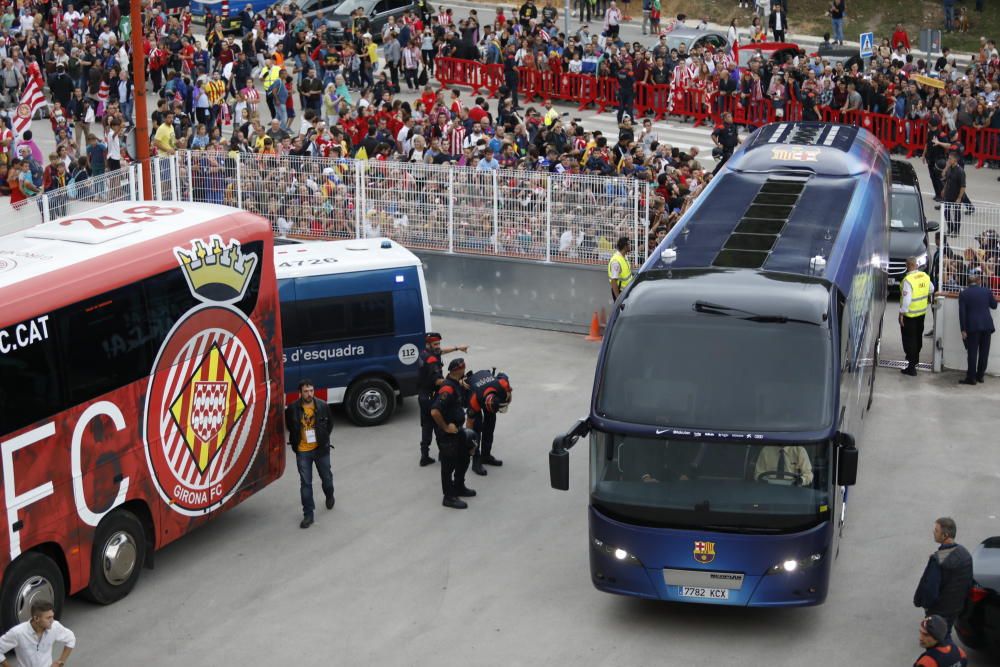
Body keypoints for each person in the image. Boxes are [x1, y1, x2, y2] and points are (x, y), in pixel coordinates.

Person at [285, 380, 335, 529]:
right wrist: (297, 445)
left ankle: (329, 493)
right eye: (306, 391)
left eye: (311, 390)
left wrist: (323, 439)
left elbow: (329, 425)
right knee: (305, 483)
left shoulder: (322, 406)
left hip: (321, 450)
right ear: (300, 393)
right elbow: (291, 427)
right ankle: (308, 514)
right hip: (303, 451)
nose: (309, 394)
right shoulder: (293, 409)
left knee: (326, 477)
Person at [914, 517, 974, 634]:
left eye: (936, 530)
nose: (933, 532)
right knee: (945, 633)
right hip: (955, 608)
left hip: (938, 611)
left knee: (936, 639)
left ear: (945, 535)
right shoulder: (965, 554)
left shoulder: (938, 561)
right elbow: (968, 582)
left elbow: (930, 589)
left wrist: (926, 606)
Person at [417, 333, 469, 466]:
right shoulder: (432, 361)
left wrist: (457, 348)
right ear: (428, 344)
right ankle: (444, 454)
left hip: (422, 395)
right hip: (430, 396)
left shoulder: (424, 353)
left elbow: (441, 351)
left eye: (439, 344)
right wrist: (455, 381)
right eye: (435, 344)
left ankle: (424, 456)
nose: (438, 347)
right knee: (437, 424)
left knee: (426, 425)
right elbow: (438, 381)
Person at [431, 358, 476, 509]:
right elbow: (435, 411)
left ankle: (459, 486)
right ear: (458, 370)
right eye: (463, 368)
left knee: (464, 457)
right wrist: (445, 427)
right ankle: (449, 497)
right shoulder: (447, 389)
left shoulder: (456, 384)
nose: (465, 370)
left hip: (458, 430)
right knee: (448, 465)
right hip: (448, 434)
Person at [465, 368, 513, 475]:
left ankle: (486, 456)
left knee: (490, 425)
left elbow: (503, 374)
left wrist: (508, 393)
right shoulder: (474, 400)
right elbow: (469, 424)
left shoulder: (502, 384)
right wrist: (468, 441)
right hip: (473, 389)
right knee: (476, 431)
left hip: (487, 388)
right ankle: (476, 463)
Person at [0, 600, 75, 667]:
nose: (52, 620)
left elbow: (71, 638)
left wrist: (61, 662)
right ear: (36, 619)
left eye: (52, 616)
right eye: (48, 618)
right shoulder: (17, 633)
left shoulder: (55, 627)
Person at [900, 256, 933, 377]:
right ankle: (916, 361)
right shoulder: (924, 276)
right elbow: (931, 289)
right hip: (921, 314)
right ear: (916, 265)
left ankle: (911, 367)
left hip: (910, 315)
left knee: (909, 341)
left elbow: (907, 300)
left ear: (907, 266)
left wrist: (902, 313)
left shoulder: (908, 280)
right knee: (918, 338)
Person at [608, 236, 633, 300]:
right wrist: (618, 300)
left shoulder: (624, 256)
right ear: (625, 246)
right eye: (629, 244)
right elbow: (613, 282)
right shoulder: (616, 262)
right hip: (620, 293)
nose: (630, 246)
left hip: (626, 291)